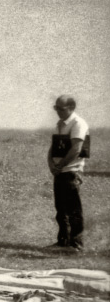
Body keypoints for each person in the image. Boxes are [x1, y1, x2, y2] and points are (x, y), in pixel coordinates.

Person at [48, 94, 90, 250]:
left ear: (71, 108)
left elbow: (76, 149)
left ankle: (76, 244)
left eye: (61, 108)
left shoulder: (78, 123)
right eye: (56, 108)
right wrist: (51, 164)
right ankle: (63, 241)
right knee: (61, 210)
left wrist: (60, 165)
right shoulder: (60, 124)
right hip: (60, 172)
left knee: (73, 210)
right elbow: (53, 147)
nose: (57, 111)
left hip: (71, 171)